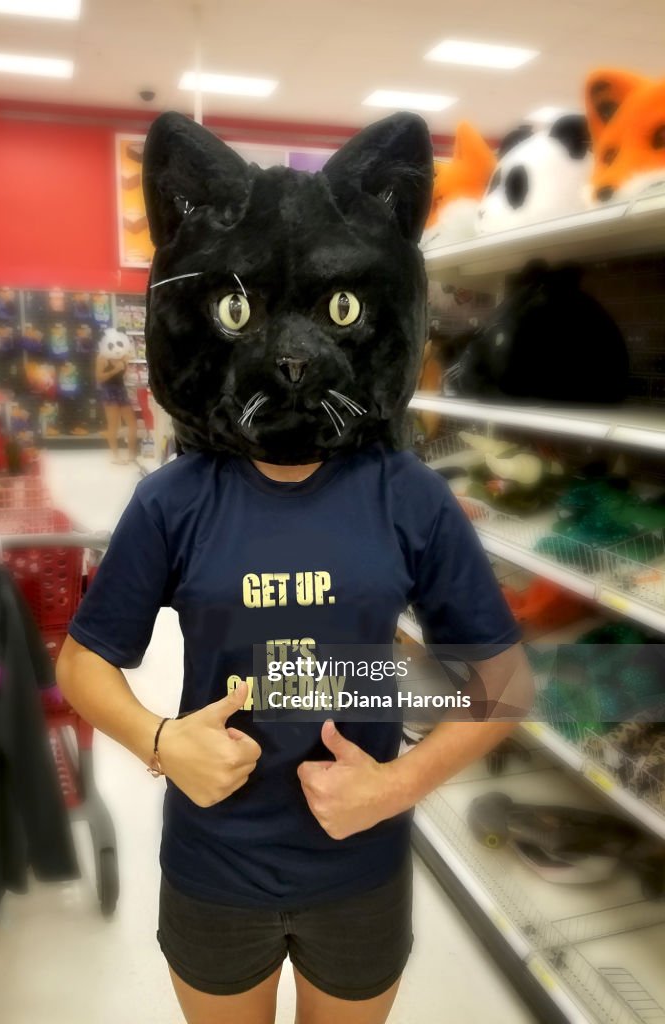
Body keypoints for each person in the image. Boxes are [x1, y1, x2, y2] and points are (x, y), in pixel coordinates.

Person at [57, 111, 534, 1024]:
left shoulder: (410, 498)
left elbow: (502, 683)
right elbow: (81, 664)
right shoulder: (175, 498)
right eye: (242, 312)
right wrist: (162, 743)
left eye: (338, 309)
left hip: (359, 869)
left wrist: (396, 785)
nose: (286, 356)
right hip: (214, 865)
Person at [95, 347, 137, 463]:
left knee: (132, 424)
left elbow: (123, 376)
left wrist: (125, 364)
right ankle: (115, 456)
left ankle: (131, 455)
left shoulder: (124, 355)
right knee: (113, 425)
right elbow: (99, 378)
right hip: (109, 391)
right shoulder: (102, 357)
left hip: (121, 390)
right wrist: (116, 369)